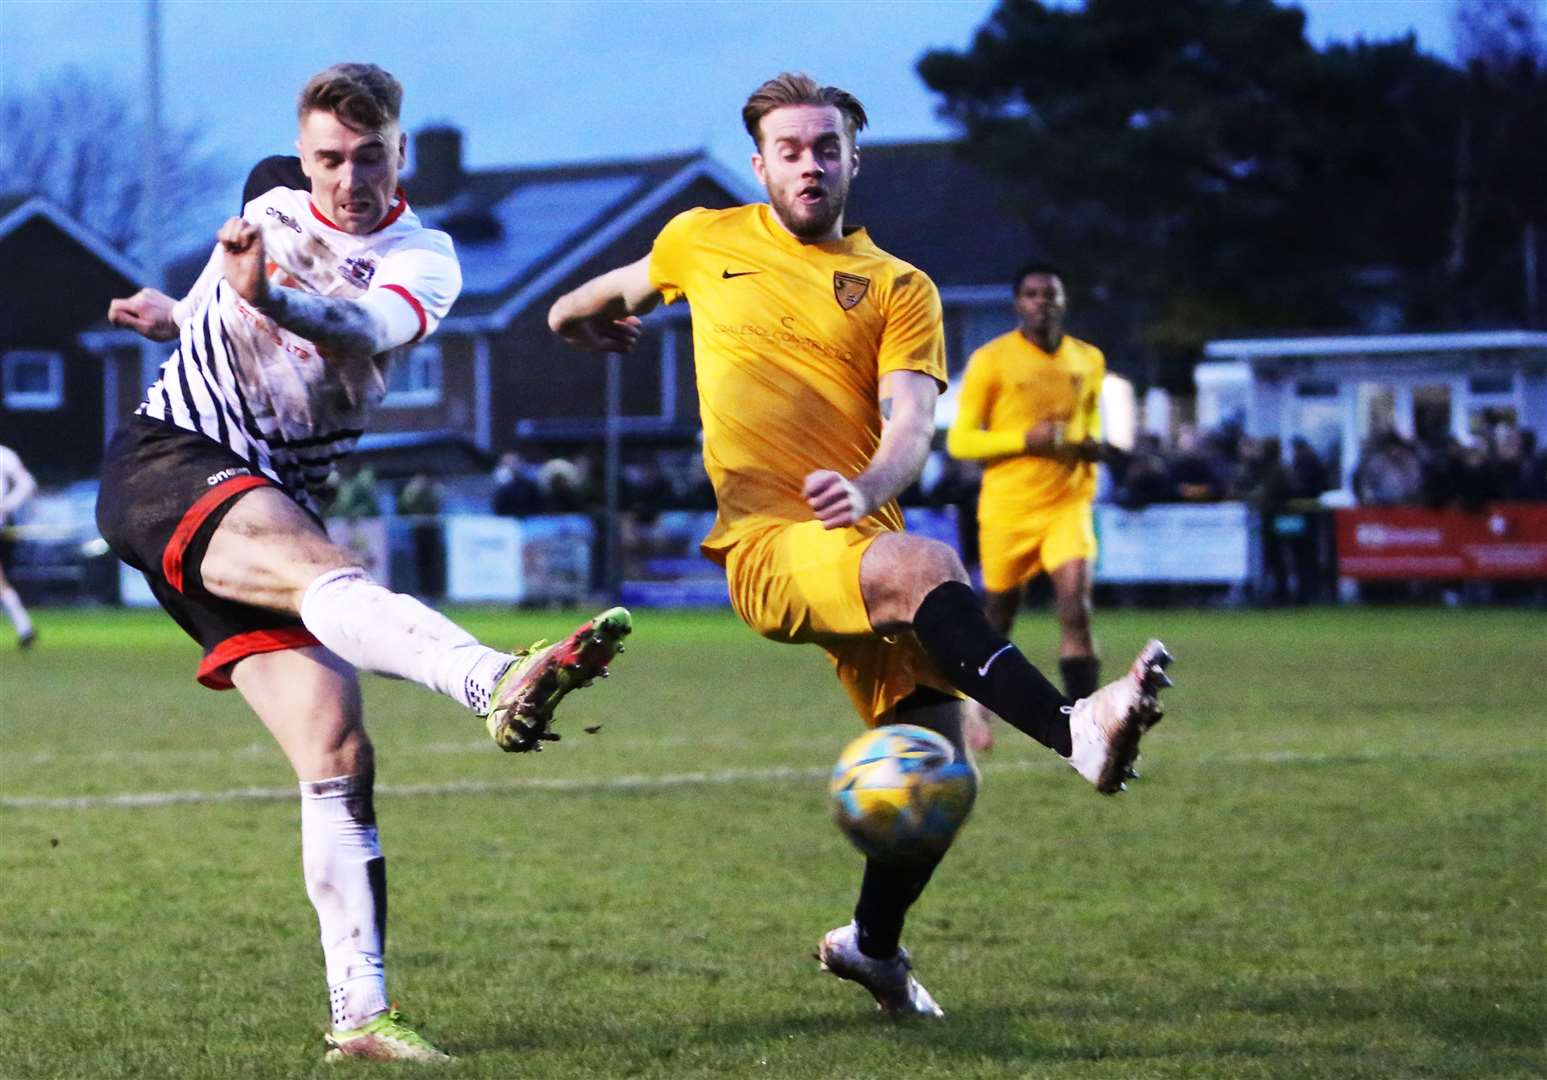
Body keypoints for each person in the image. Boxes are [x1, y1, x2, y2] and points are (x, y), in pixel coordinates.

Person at [547, 71, 1171, 1018]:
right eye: (790, 149)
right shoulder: (700, 239)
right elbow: (577, 302)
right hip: (765, 545)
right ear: (759, 163)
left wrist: (870, 487)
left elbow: (913, 424)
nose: (809, 163)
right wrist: (584, 323)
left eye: (826, 147)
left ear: (852, 159)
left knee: (935, 753)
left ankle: (871, 947)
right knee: (931, 565)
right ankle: (1075, 730)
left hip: (857, 545)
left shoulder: (898, 287)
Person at [101, 63, 630, 1063]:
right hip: (168, 464)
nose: (346, 179)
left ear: (401, 149)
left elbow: (359, 329)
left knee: (337, 752)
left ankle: (360, 1020)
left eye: (368, 155)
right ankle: (492, 679)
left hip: (261, 503)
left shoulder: (424, 258)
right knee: (320, 573)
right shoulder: (266, 203)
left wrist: (261, 304)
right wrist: (180, 311)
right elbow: (230, 306)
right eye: (327, 160)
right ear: (302, 159)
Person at [946, 264, 1116, 700]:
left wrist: (1090, 443)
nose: (1042, 302)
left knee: (1076, 609)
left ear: (1064, 302)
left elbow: (1089, 421)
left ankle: (1085, 724)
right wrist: (1025, 439)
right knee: (999, 616)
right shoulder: (991, 361)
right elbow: (961, 441)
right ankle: (976, 707)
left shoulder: (1088, 358)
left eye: (1050, 294)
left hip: (1067, 502)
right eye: (1033, 294)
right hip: (1009, 506)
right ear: (1018, 304)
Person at [0, 444, 39, 649]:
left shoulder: (3, 454)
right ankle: (24, 627)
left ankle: (24, 627)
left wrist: (6, 506)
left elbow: (26, 483)